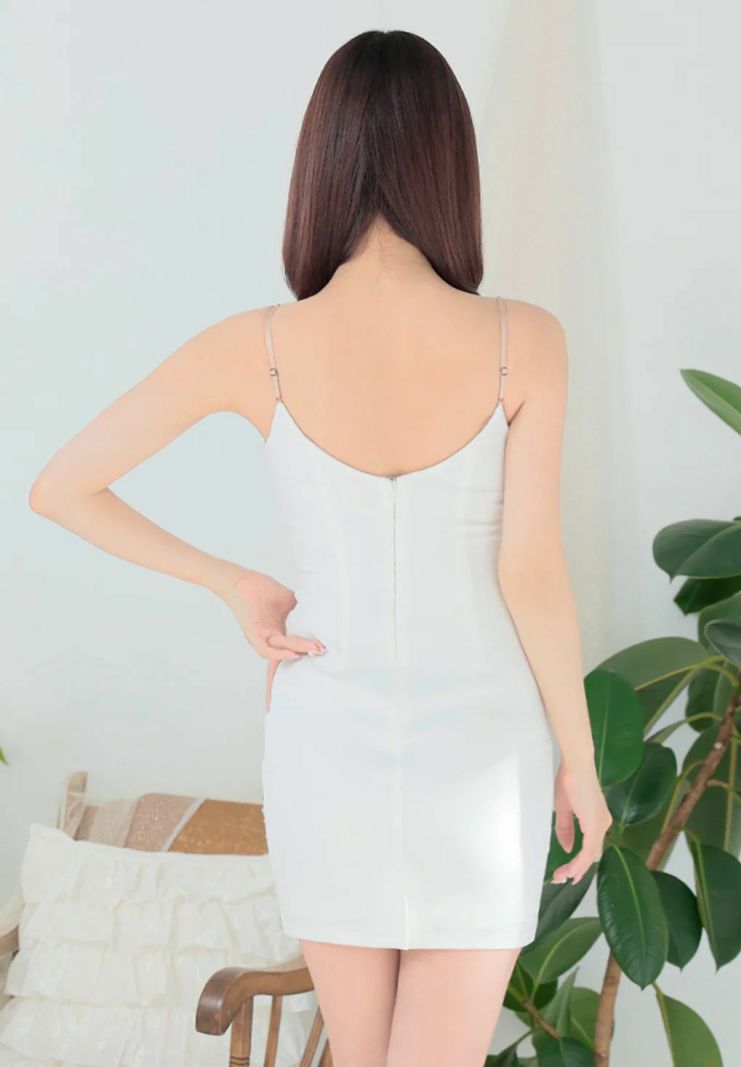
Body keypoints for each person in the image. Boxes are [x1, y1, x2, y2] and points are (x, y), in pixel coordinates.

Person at [29, 28, 611, 1067]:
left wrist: (232, 583)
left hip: (327, 743)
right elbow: (527, 570)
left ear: (322, 165)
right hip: (483, 753)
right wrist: (581, 758)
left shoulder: (255, 345)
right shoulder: (523, 339)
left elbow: (60, 485)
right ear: (449, 163)